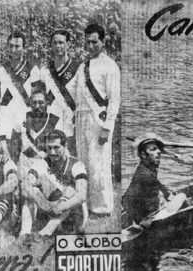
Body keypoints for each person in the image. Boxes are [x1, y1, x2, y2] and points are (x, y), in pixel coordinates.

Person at [65, 24, 121, 216]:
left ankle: (102, 208)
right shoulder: (83, 66)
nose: (90, 46)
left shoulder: (110, 66)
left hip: (99, 120)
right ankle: (86, 205)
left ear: (103, 42)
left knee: (98, 165)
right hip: (81, 118)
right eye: (87, 42)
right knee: (83, 162)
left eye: (94, 42)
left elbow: (114, 100)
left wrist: (107, 127)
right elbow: (70, 91)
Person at [20, 130, 87, 237]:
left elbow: (82, 196)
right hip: (51, 209)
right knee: (32, 190)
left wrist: (61, 207)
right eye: (49, 148)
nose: (52, 152)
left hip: (72, 213)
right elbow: (25, 186)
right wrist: (47, 206)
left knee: (70, 190)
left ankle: (44, 234)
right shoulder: (42, 163)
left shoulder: (76, 165)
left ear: (65, 146)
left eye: (56, 147)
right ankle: (24, 234)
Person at [122, 133, 175, 229]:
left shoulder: (148, 169)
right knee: (181, 198)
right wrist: (140, 221)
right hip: (146, 219)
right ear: (143, 155)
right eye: (153, 149)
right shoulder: (144, 175)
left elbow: (156, 182)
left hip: (151, 212)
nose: (159, 152)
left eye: (158, 149)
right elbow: (126, 201)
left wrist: (166, 193)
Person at [41, 29, 81, 154]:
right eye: (55, 43)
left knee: (72, 156)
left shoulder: (78, 68)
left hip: (72, 120)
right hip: (53, 120)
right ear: (51, 45)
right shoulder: (45, 71)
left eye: (61, 43)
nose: (58, 46)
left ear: (68, 44)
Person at [0, 31, 41, 131]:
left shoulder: (32, 69)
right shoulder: (0, 68)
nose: (13, 50)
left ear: (24, 48)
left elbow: (35, 97)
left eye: (17, 46)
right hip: (5, 114)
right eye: (11, 46)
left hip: (24, 112)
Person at [16, 87, 66, 175]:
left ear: (47, 103)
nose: (37, 106)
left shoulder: (55, 120)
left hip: (46, 166)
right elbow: (15, 143)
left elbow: (59, 148)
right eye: (34, 103)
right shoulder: (22, 118)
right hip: (24, 166)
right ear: (30, 103)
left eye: (41, 102)